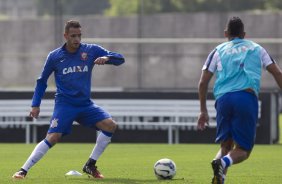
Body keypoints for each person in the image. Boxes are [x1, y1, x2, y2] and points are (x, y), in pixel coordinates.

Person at [12, 20, 125, 179]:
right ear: (65, 36)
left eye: (79, 35)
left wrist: (106, 58)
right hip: (65, 105)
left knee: (110, 125)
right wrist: (35, 104)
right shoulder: (54, 56)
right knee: (53, 137)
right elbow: (42, 81)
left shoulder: (91, 50)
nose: (77, 39)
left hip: (85, 104)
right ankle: (23, 170)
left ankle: (90, 165)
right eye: (73, 36)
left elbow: (120, 59)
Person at [197, 16, 282, 184]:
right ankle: (222, 163)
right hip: (245, 97)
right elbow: (277, 73)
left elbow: (203, 82)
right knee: (243, 150)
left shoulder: (217, 51)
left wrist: (203, 110)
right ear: (244, 34)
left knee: (225, 146)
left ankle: (219, 177)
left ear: (225, 33)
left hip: (223, 100)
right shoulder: (257, 48)